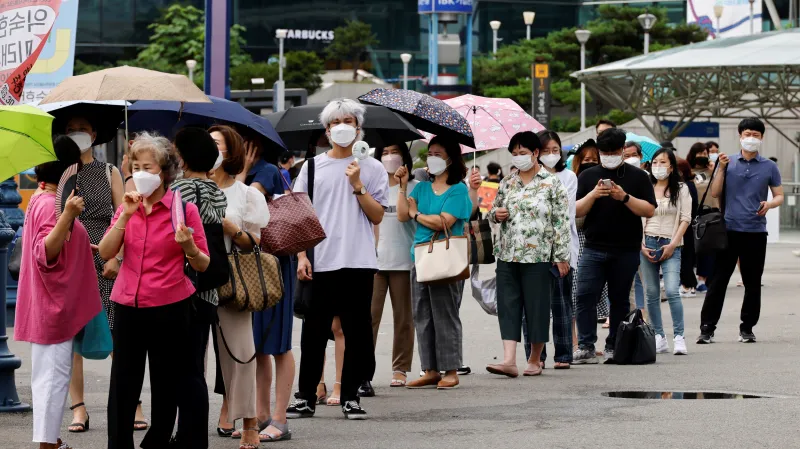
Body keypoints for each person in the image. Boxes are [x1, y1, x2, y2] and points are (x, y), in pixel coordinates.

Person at [100, 132, 210, 449]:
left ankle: (158, 440)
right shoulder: (126, 208)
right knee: (123, 384)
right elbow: (106, 252)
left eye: (148, 167)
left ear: (164, 172)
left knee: (166, 383)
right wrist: (125, 216)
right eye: (136, 167)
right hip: (128, 305)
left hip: (169, 305)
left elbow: (203, 263)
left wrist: (188, 245)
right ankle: (119, 444)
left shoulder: (183, 210)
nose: (140, 174)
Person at [288, 98, 388, 420]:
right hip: (321, 260)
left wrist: (358, 185)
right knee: (313, 332)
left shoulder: (372, 168)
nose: (342, 127)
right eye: (335, 122)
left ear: (359, 129)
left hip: (358, 260)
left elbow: (377, 217)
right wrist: (302, 255)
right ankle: (305, 396)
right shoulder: (312, 167)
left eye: (349, 121)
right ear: (327, 129)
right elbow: (299, 215)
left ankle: (350, 397)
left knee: (357, 331)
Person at [16, 136, 100, 449]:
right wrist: (67, 215)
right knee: (53, 380)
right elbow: (45, 252)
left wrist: (78, 242)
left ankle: (50, 440)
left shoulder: (39, 198)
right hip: (55, 308)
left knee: (48, 380)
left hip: (46, 305)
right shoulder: (54, 205)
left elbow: (55, 245)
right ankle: (47, 444)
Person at [62, 117, 133, 433]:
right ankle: (79, 409)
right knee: (73, 337)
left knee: (118, 332)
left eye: (82, 128)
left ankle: (132, 404)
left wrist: (117, 256)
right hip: (73, 259)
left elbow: (124, 217)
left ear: (94, 134)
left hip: (107, 256)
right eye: (70, 129)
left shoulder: (109, 171)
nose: (77, 134)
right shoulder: (62, 173)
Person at [209, 125, 277, 446]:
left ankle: (250, 422)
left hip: (233, 280)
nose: (211, 150)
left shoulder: (247, 194)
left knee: (242, 353)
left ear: (231, 151)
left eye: (217, 144)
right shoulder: (185, 190)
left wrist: (232, 229)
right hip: (192, 279)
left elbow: (255, 242)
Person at [486, 131, 570, 377]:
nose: (518, 157)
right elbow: (493, 211)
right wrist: (496, 214)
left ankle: (534, 358)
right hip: (508, 253)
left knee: (537, 306)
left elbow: (561, 221)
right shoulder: (507, 182)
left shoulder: (552, 183)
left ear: (535, 153)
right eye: (514, 154)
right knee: (508, 306)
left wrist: (561, 256)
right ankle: (509, 360)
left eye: (523, 153)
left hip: (539, 255)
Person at [231, 133, 298, 439]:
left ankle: (280, 418)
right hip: (248, 265)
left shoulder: (266, 171)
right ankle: (260, 413)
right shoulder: (230, 174)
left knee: (279, 343)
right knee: (256, 345)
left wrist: (242, 172)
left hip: (273, 264)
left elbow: (247, 206)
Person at [573, 128, 656, 364]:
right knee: (585, 296)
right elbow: (576, 210)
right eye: (604, 152)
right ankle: (586, 345)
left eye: (613, 151)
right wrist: (594, 195)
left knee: (619, 299)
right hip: (593, 246)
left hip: (626, 248)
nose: (608, 155)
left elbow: (649, 209)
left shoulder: (638, 176)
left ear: (622, 151)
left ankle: (613, 345)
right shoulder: (588, 176)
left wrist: (625, 197)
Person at [698, 118, 784, 344]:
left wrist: (770, 204)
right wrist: (722, 168)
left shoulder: (769, 166)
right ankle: (707, 328)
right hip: (728, 230)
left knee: (752, 281)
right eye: (748, 134)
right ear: (739, 135)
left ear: (762, 138)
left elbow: (779, 195)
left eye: (756, 135)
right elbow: (715, 193)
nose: (751, 139)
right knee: (718, 280)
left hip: (756, 231)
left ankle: (747, 328)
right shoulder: (727, 161)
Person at [396, 135, 472, 389]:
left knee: (445, 314)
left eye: (438, 154)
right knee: (422, 314)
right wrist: (402, 186)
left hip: (446, 256)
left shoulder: (459, 189)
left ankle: (451, 369)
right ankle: (430, 369)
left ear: (451, 158)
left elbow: (444, 221)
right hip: (420, 255)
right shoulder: (420, 187)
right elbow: (402, 214)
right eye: (430, 153)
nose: (432, 158)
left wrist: (417, 213)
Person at [168, 127, 228, 448]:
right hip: (209, 291)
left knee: (184, 368)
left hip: (183, 287)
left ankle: (189, 436)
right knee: (194, 364)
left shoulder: (182, 189)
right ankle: (192, 433)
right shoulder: (215, 189)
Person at [371, 143, 418, 387]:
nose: (389, 157)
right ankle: (362, 369)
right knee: (369, 318)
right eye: (384, 152)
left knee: (403, 319)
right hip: (373, 262)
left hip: (404, 261)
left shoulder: (415, 188)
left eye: (394, 152)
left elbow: (407, 217)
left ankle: (400, 368)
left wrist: (402, 185)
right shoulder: (372, 185)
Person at [532, 130, 578, 369]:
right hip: (531, 250)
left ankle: (563, 354)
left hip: (560, 247)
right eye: (546, 150)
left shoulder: (568, 176)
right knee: (534, 305)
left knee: (561, 303)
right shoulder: (526, 176)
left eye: (555, 150)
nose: (551, 155)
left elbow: (565, 213)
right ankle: (536, 356)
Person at [640, 149, 691, 355]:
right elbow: (637, 216)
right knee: (651, 293)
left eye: (663, 162)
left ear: (671, 167)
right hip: (647, 242)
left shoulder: (681, 188)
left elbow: (685, 218)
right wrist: (641, 245)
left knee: (671, 291)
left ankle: (679, 336)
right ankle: (659, 336)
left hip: (671, 243)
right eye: (655, 162)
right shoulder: (645, 187)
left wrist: (673, 244)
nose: (659, 166)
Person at [570, 140, 611, 327]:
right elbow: (575, 216)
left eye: (594, 159)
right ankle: (577, 341)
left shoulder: (607, 181)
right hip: (577, 238)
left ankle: (586, 338)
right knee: (577, 289)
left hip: (599, 239)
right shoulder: (572, 181)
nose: (590, 162)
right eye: (586, 159)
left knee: (595, 291)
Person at [690, 142, 718, 293]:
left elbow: (720, 189)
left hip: (711, 214)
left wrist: (715, 172)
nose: (702, 157)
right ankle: (691, 279)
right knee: (694, 249)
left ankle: (704, 279)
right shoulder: (688, 172)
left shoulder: (714, 171)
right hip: (694, 213)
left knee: (709, 249)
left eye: (705, 154)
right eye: (699, 154)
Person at [676, 158, 700, 297]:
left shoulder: (686, 186)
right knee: (685, 256)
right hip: (685, 225)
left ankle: (688, 285)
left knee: (685, 256)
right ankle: (688, 284)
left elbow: (691, 207)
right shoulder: (685, 185)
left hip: (686, 225)